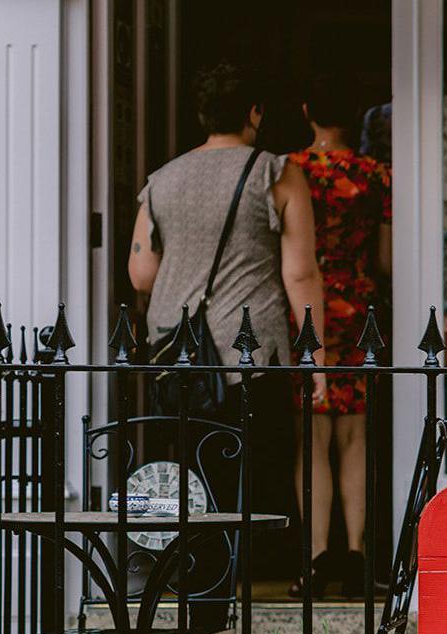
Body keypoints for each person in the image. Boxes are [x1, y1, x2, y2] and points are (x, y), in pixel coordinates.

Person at [129, 61, 324, 384]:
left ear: (203, 115)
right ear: (255, 112)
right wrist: (314, 355)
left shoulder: (160, 181)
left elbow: (141, 276)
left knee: (185, 436)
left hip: (177, 351)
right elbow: (300, 274)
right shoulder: (275, 174)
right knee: (254, 436)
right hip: (250, 355)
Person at [286, 78, 393, 599]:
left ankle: (314, 558)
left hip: (306, 305)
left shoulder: (291, 170)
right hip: (358, 301)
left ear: (307, 111)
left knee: (313, 435)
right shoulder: (376, 175)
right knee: (355, 435)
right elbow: (389, 258)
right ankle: (356, 552)